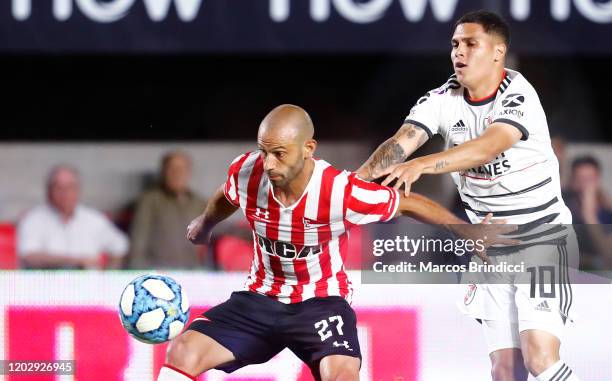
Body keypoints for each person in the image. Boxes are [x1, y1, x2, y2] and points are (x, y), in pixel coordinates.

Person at [157, 104, 513, 381]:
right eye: (263, 151)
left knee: (342, 374)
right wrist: (205, 224)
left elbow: (407, 202)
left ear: (308, 148)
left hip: (320, 304)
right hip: (259, 301)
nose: (267, 163)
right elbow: (227, 194)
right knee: (182, 351)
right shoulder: (248, 171)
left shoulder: (339, 191)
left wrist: (466, 231)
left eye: (278, 153)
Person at [357, 10, 580, 381]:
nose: (458, 52)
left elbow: (488, 147)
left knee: (540, 358)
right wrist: (348, 185)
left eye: (470, 43)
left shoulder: (519, 93)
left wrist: (421, 165)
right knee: (504, 369)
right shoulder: (441, 99)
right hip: (489, 244)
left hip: (542, 236)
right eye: (455, 44)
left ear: (497, 52)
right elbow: (400, 144)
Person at [17, 165, 128, 269]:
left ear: (78, 190)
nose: (65, 193)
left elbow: (119, 245)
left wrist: (108, 278)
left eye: (70, 187)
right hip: (46, 286)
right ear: (49, 190)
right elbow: (29, 256)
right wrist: (76, 261)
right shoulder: (33, 219)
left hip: (88, 286)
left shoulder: (93, 219)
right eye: (59, 187)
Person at [128, 151, 207, 269]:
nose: (177, 174)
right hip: (157, 271)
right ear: (163, 172)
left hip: (192, 272)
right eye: (172, 169)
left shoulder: (198, 202)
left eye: (182, 169)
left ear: (188, 173)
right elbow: (138, 241)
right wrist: (139, 273)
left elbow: (218, 228)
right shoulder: (150, 200)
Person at [564, 156, 612, 268]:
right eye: (580, 179)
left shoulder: (607, 212)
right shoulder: (565, 208)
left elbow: (608, 255)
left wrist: (589, 215)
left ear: (597, 180)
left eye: (589, 179)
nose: (585, 185)